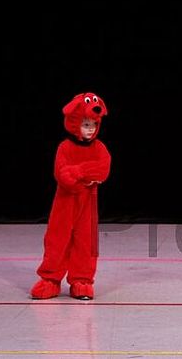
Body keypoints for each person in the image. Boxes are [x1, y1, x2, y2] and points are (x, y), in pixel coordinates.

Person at [30, 92, 111, 300]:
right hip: (65, 202)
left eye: (93, 123)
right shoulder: (64, 147)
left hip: (88, 204)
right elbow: (62, 176)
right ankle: (50, 279)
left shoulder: (100, 147)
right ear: (74, 123)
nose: (90, 128)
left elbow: (103, 170)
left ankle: (81, 280)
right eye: (85, 124)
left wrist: (78, 172)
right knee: (58, 238)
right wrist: (84, 176)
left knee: (86, 241)